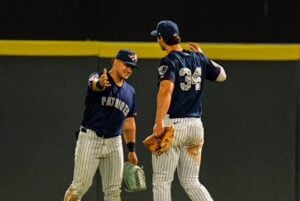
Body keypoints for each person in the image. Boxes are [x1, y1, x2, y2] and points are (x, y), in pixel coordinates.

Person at [150, 20, 227, 201]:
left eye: (157, 38)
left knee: (161, 180)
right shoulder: (197, 58)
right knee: (191, 181)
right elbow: (222, 75)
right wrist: (204, 57)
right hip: (195, 126)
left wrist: (159, 121)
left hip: (174, 125)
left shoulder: (169, 61)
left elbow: (166, 90)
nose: (157, 41)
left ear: (162, 39)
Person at [64, 49, 140, 201]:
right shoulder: (98, 76)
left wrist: (131, 150)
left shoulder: (130, 92)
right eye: (127, 65)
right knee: (79, 187)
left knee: (113, 192)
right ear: (115, 61)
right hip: (90, 138)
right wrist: (100, 83)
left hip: (114, 143)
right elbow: (94, 85)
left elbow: (129, 122)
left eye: (132, 67)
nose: (129, 69)